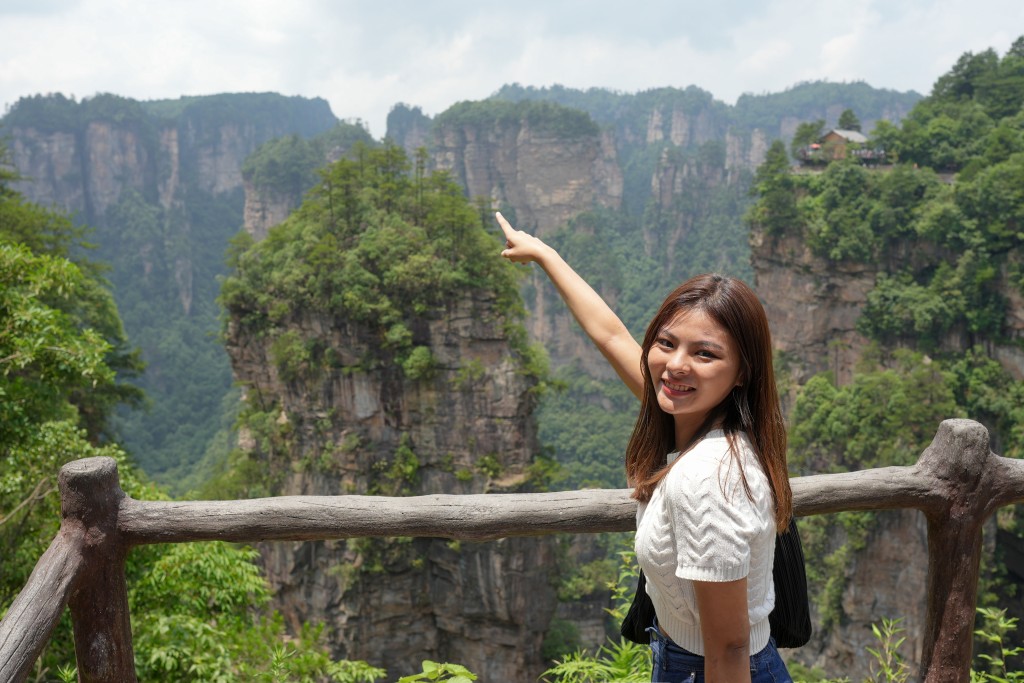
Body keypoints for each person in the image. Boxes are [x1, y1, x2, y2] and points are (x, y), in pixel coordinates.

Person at [495, 212, 793, 683]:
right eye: (666, 342)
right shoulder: (700, 418)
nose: (676, 366)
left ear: (742, 373)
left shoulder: (706, 477)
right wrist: (545, 255)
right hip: (692, 658)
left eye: (705, 353)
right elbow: (611, 335)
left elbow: (730, 649)